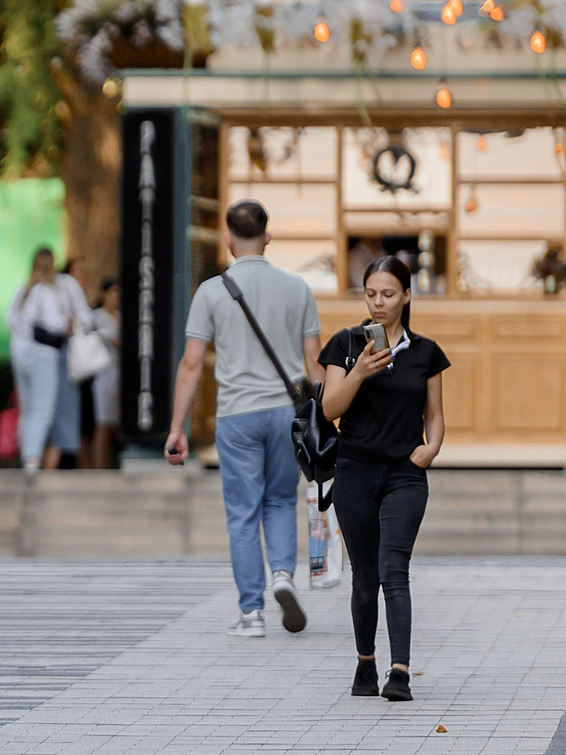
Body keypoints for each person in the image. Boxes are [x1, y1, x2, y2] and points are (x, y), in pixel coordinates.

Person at [165, 201, 321, 639]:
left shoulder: (212, 291)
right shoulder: (297, 288)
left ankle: (251, 613)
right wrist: (326, 417)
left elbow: (191, 365)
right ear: (268, 237)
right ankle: (284, 575)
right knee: (280, 500)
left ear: (228, 239)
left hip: (237, 415)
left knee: (242, 513)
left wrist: (177, 428)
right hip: (286, 415)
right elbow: (314, 362)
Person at [318, 257, 447, 701]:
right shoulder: (346, 344)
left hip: (405, 475)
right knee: (365, 575)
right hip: (353, 471)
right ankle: (365, 664)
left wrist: (432, 448)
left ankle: (400, 672)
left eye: (388, 294)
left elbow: (435, 414)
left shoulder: (426, 352)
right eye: (371, 293)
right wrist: (359, 372)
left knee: (395, 569)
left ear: (407, 296)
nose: (378, 302)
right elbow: (330, 409)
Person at [5, 247, 87, 474]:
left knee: (28, 408)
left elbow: (11, 320)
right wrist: (65, 323)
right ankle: (32, 458)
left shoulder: (24, 290)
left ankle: (27, 455)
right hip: (43, 356)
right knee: (42, 410)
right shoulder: (47, 291)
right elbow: (55, 324)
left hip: (20, 354)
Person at [90, 276, 122, 470]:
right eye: (113, 291)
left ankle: (110, 464)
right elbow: (114, 341)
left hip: (119, 374)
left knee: (114, 424)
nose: (117, 296)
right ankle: (98, 466)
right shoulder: (97, 317)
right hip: (103, 374)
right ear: (104, 294)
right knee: (103, 423)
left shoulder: (120, 315)